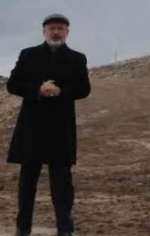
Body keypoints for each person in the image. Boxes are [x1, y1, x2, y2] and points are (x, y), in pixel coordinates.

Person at [6, 13, 91, 236]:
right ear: (44, 31)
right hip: (31, 127)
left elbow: (84, 89)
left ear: (67, 32)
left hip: (61, 129)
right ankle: (22, 229)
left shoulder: (77, 59)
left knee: (62, 185)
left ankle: (65, 230)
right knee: (27, 183)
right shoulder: (28, 55)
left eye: (60, 28)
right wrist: (38, 90)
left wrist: (61, 91)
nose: (56, 32)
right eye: (52, 28)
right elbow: (13, 85)